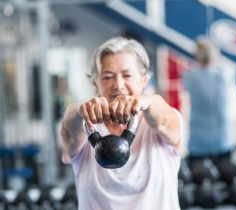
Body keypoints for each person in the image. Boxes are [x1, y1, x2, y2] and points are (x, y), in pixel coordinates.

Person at [60, 37, 183, 210]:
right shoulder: (85, 126)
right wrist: (80, 110)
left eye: (127, 75)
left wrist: (146, 101)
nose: (118, 85)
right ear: (95, 82)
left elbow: (163, 119)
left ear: (144, 79)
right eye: (108, 77)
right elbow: (68, 126)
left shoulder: (162, 122)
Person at [182, 37, 236, 171]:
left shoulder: (189, 76)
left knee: (199, 183)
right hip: (223, 138)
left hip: (198, 139)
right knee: (226, 180)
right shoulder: (225, 74)